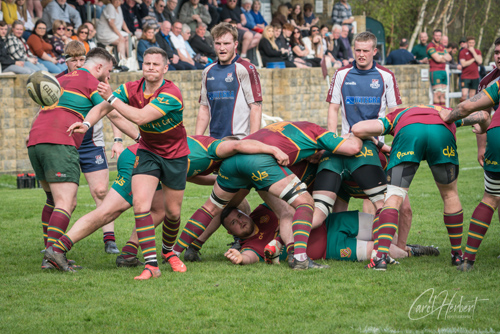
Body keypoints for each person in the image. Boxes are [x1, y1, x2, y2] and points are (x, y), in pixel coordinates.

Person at [59, 47, 190, 280]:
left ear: (165, 68)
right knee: (141, 205)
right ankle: (151, 266)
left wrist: (111, 97)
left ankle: (169, 251)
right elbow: (103, 107)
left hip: (175, 156)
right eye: (147, 63)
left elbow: (139, 117)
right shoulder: (132, 87)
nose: (150, 68)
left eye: (155, 64)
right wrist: (87, 124)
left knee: (172, 213)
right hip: (147, 151)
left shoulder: (171, 93)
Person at [171, 120, 362, 270]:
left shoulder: (282, 127)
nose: (316, 156)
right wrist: (359, 135)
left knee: (213, 207)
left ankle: (178, 251)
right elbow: (352, 148)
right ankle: (299, 257)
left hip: (233, 163)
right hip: (259, 161)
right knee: (300, 205)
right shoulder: (317, 132)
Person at [352, 104, 490, 270]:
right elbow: (483, 115)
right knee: (450, 195)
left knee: (394, 197)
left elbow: (358, 129)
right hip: (441, 132)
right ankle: (457, 256)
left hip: (409, 133)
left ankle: (380, 257)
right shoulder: (444, 110)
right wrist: (482, 131)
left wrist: (378, 141)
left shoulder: (398, 114)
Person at [28, 47, 116, 271]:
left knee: (52, 199)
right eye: (108, 71)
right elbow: (110, 110)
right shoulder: (92, 82)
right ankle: (53, 254)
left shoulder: (61, 78)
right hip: (60, 140)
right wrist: (136, 134)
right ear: (98, 67)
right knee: (66, 203)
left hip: (36, 139)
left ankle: (49, 253)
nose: (108, 77)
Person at [55, 41, 126, 255]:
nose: (77, 64)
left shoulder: (98, 80)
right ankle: (52, 243)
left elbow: (112, 110)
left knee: (101, 191)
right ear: (66, 61)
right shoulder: (57, 81)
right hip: (65, 142)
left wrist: (117, 139)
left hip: (91, 143)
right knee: (63, 199)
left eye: (81, 59)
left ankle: (109, 240)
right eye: (73, 60)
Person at [439, 51, 500, 270]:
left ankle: (468, 260)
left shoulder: (497, 83)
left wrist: (448, 116)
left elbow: (466, 107)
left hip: (497, 137)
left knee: (490, 198)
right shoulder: (490, 78)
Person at [223, 206, 436, 265]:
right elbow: (250, 257)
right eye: (235, 223)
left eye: (240, 215)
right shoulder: (250, 245)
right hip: (331, 249)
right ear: (230, 232)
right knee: (381, 250)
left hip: (332, 222)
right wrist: (241, 258)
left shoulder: (261, 211)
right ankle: (411, 253)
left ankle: (407, 246)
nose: (241, 221)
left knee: (385, 225)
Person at [195, 23, 262, 139]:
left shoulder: (247, 69)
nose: (222, 48)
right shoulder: (207, 71)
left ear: (235, 44)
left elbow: (256, 107)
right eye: (218, 44)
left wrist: (252, 141)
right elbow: (204, 108)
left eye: (226, 44)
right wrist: (197, 139)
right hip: (214, 141)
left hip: (239, 140)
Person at [427, 29, 452, 107]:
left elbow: (449, 57)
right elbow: (437, 59)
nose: (438, 37)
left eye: (439, 35)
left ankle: (443, 113)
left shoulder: (442, 46)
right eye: (436, 35)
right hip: (435, 71)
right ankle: (437, 114)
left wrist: (441, 57)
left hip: (443, 71)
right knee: (437, 94)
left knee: (443, 94)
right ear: (433, 36)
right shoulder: (430, 46)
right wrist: (443, 57)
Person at [459, 36, 482, 102]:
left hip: (475, 76)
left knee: (472, 96)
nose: (471, 44)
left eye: (472, 43)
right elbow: (463, 64)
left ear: (474, 43)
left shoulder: (477, 51)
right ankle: (462, 110)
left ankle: (470, 111)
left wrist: (473, 52)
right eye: (470, 43)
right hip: (465, 76)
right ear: (467, 43)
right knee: (464, 94)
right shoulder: (463, 52)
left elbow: (480, 61)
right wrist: (473, 59)